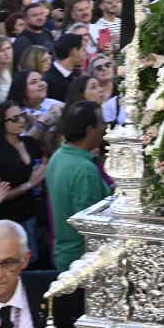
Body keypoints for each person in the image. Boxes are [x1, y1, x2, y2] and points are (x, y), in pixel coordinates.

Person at [0, 104, 48, 268]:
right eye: (15, 118)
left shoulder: (30, 142)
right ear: (2, 124)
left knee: (39, 255)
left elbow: (44, 159)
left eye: (23, 115)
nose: (21, 120)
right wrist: (28, 185)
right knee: (22, 262)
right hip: (12, 216)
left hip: (35, 210)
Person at [47, 102, 110, 271]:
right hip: (82, 261)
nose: (105, 127)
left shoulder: (58, 156)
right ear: (90, 130)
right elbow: (92, 226)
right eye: (102, 123)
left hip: (63, 254)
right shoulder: (84, 169)